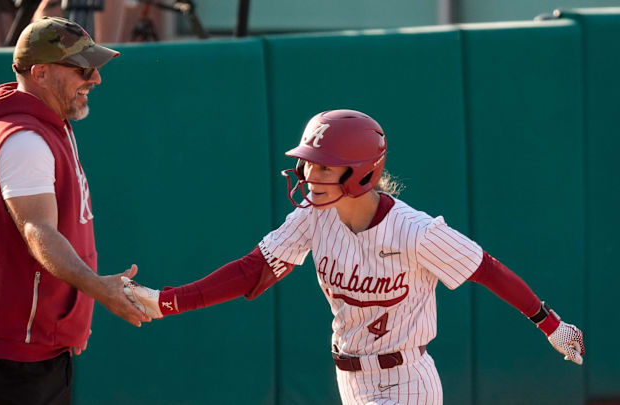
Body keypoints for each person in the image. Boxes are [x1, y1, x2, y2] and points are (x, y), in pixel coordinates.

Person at [123, 109, 586, 405]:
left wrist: (551, 324)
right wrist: (166, 302)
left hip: (405, 380)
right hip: (351, 379)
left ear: (361, 173)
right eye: (307, 162)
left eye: (323, 165)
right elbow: (253, 271)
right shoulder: (313, 215)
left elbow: (487, 270)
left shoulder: (415, 231)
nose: (307, 173)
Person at [0, 16, 150, 405]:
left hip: (34, 348)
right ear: (40, 73)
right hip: (8, 357)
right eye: (82, 68)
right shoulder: (24, 138)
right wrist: (99, 288)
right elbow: (38, 231)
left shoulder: (49, 124)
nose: (95, 79)